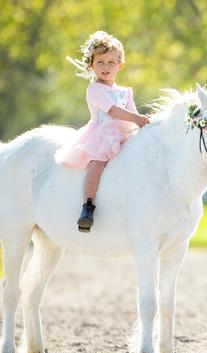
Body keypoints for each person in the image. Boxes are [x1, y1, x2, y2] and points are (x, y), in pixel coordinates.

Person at [55, 31, 150, 233]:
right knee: (96, 167)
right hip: (102, 136)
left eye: (110, 62)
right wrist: (135, 119)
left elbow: (133, 112)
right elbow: (113, 110)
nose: (105, 67)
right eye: (100, 62)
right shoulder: (95, 89)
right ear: (91, 65)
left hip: (125, 134)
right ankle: (88, 206)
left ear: (119, 64)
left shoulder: (126, 91)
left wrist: (143, 124)